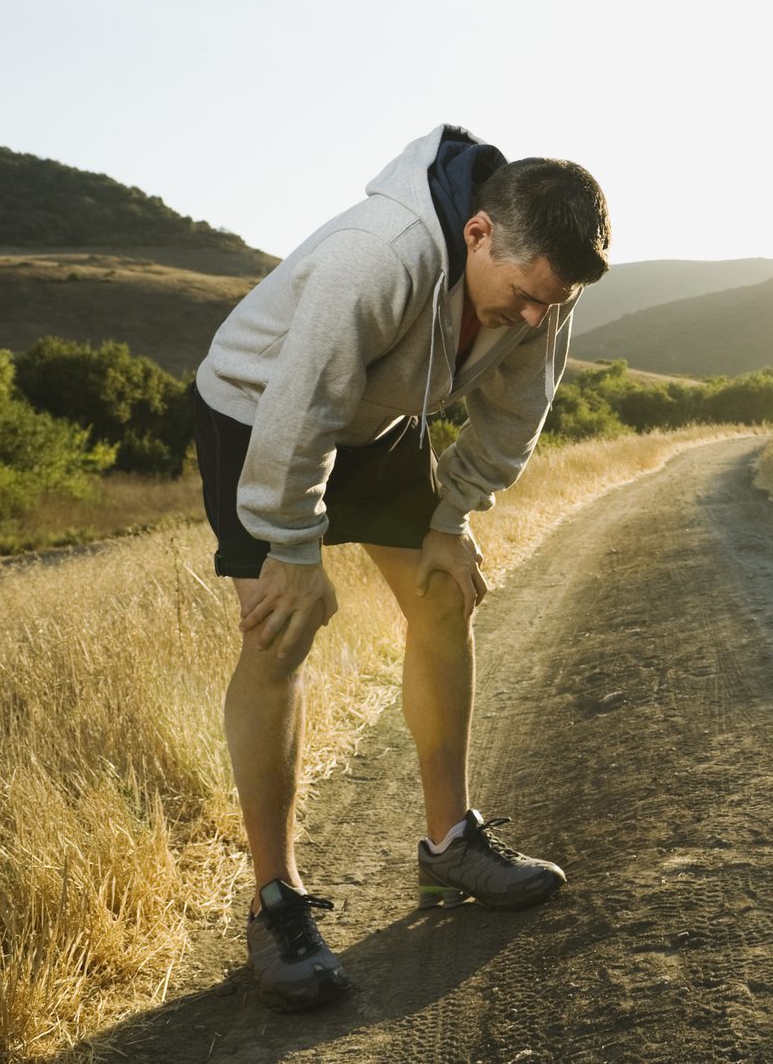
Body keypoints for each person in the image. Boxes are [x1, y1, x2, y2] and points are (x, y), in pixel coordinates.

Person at [186, 124, 609, 1011]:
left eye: (553, 303)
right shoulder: (373, 258)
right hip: (261, 409)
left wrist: (451, 517)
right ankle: (277, 903)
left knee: (444, 594)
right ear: (477, 235)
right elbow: (301, 405)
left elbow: (513, 416)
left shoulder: (541, 290)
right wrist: (294, 550)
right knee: (281, 633)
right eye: (527, 296)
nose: (535, 318)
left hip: (378, 416)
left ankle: (450, 843)